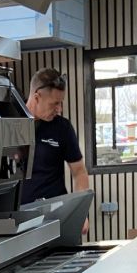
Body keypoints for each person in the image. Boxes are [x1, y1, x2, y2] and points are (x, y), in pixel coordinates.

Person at [21, 69, 91, 227]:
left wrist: (81, 212)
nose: (59, 109)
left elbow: (79, 171)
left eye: (61, 103)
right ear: (37, 97)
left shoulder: (62, 128)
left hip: (57, 216)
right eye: (54, 103)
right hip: (20, 218)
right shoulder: (10, 124)